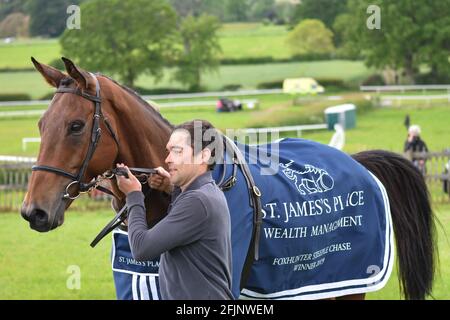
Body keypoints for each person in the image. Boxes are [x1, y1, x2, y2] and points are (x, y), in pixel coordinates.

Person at [116, 119, 233, 300]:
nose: (167, 159)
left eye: (177, 151)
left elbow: (141, 249)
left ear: (203, 155)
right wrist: (171, 187)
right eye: (169, 151)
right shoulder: (205, 192)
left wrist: (133, 195)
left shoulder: (198, 201)